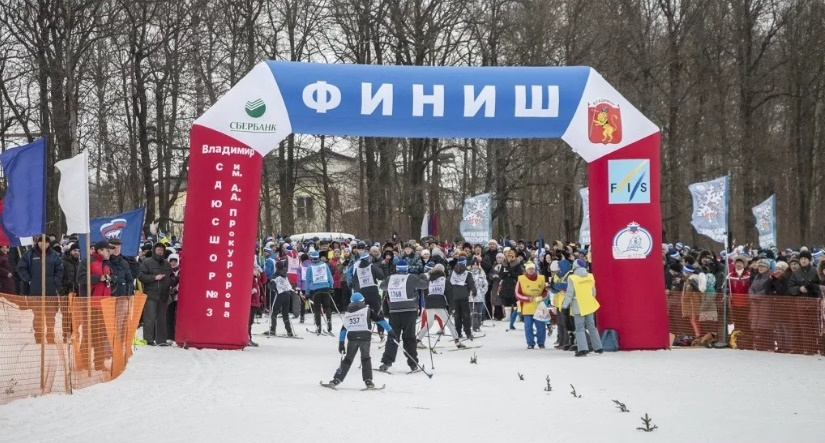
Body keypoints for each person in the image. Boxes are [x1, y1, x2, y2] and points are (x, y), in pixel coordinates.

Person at [324, 292, 394, 389]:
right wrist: (390, 331)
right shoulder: (367, 310)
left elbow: (343, 330)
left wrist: (341, 343)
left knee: (347, 359)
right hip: (365, 337)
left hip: (352, 338)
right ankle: (368, 381)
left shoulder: (349, 313)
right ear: (363, 301)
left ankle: (336, 380)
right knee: (365, 359)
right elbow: (380, 320)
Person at [378, 259, 429, 373]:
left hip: (394, 311)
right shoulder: (411, 277)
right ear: (407, 269)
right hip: (409, 310)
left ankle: (386, 362)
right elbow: (424, 285)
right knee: (409, 338)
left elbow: (382, 286)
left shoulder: (391, 278)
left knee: (393, 337)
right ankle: (413, 364)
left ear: (396, 269)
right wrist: (424, 276)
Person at [18, 236, 65, 344]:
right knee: (38, 316)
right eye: (41, 242)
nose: (43, 244)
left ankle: (50, 335)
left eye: (45, 242)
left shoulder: (54, 255)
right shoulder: (30, 254)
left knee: (50, 316)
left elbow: (59, 270)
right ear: (37, 243)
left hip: (50, 291)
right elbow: (21, 267)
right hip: (35, 291)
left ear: (49, 244)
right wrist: (29, 279)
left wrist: (55, 281)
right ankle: (38, 336)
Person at [76, 240, 114, 370]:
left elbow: (109, 283)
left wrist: (111, 280)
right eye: (107, 250)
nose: (109, 253)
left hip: (103, 304)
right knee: (89, 334)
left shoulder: (106, 264)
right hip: (89, 304)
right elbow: (80, 278)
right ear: (100, 250)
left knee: (101, 334)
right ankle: (84, 362)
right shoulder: (88, 261)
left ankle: (99, 363)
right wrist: (99, 278)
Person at [562, 259, 603, 356]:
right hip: (589, 304)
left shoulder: (572, 278)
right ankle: (598, 347)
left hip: (578, 305)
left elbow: (570, 294)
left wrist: (564, 305)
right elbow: (594, 292)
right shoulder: (590, 276)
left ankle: (583, 349)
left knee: (579, 328)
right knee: (592, 326)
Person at [138, 243, 174, 346]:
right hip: (151, 294)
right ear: (154, 250)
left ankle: (161, 340)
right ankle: (148, 339)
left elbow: (172, 276)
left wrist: (170, 281)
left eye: (161, 250)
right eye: (158, 250)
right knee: (149, 318)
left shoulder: (167, 264)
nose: (160, 252)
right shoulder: (147, 262)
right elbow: (141, 276)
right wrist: (154, 277)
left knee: (162, 318)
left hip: (164, 295)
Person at [348, 251, 386, 339]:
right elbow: (381, 276)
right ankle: (381, 332)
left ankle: (366, 331)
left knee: (365, 313)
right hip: (373, 291)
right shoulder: (372, 266)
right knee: (378, 312)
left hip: (363, 293)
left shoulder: (357, 269)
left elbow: (354, 282)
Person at [515, 261, 548, 349]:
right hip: (527, 306)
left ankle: (541, 342)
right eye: (529, 269)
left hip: (538, 305)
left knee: (541, 326)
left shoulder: (541, 278)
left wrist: (542, 297)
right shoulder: (521, 279)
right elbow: (517, 293)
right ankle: (530, 343)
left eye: (532, 268)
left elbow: (545, 291)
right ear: (526, 270)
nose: (531, 270)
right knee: (528, 326)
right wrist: (526, 298)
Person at [303, 250, 335, 335]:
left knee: (317, 308)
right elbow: (330, 277)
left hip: (316, 289)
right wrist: (331, 287)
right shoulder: (324, 265)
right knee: (327, 306)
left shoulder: (310, 267)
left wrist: (307, 292)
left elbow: (307, 281)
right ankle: (328, 320)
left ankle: (318, 326)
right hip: (325, 287)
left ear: (311, 259)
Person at [446, 256, 477, 339]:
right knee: (466, 315)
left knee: (457, 316)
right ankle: (468, 333)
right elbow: (471, 283)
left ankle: (458, 333)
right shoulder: (467, 273)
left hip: (455, 296)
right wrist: (474, 291)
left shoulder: (453, 272)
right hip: (464, 296)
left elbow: (448, 283)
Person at [266, 260, 296, 337]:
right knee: (285, 314)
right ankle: (289, 331)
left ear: (276, 267)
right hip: (287, 294)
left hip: (280, 294)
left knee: (274, 312)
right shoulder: (285, 274)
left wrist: (269, 286)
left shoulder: (275, 275)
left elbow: (272, 286)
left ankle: (273, 330)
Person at [469, 260, 488, 331]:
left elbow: (485, 284)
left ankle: (478, 325)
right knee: (474, 312)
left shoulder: (482, 273)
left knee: (480, 312)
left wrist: (482, 292)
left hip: (480, 295)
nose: (475, 266)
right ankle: (474, 326)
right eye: (473, 265)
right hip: (471, 296)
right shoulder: (469, 274)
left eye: (476, 265)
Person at [167, 253, 181, 341]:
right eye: (171, 261)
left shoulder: (180, 270)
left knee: (178, 316)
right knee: (169, 316)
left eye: (175, 261)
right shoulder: (167, 271)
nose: (173, 263)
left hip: (179, 297)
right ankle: (169, 335)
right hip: (170, 297)